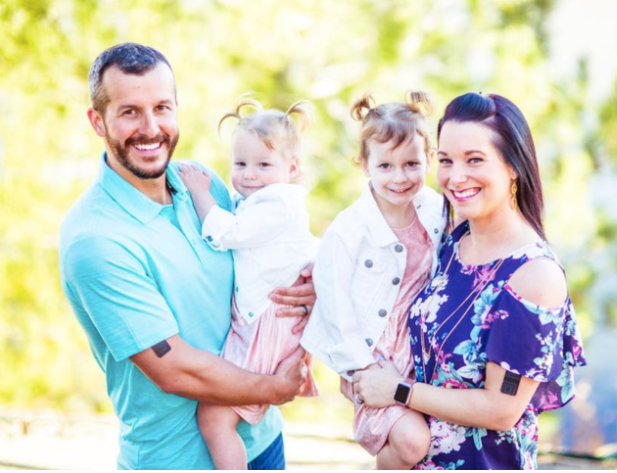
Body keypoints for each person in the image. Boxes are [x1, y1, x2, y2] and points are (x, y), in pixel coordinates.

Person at [59, 43, 315, 470]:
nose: (150, 127)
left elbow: (268, 250)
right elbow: (175, 369)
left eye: (162, 107)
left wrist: (306, 285)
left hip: (263, 440)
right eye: (129, 112)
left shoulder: (204, 184)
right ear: (97, 121)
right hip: (177, 459)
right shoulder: (95, 239)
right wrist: (273, 387)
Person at [352, 92, 587, 469]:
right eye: (445, 160)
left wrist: (397, 390)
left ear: (513, 166)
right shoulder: (455, 238)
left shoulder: (533, 277)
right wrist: (314, 279)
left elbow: (501, 409)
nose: (455, 177)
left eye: (474, 160)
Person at [301, 92, 446, 469]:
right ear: (364, 164)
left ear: (429, 159)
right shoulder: (349, 231)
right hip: (373, 358)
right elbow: (334, 306)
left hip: (421, 357)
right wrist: (361, 370)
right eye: (386, 166)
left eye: (412, 163)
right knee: (413, 442)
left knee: (435, 446)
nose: (400, 178)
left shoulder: (437, 209)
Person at [178, 95, 319, 469]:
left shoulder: (277, 204)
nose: (249, 174)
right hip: (261, 318)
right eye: (240, 164)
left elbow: (230, 233)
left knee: (213, 416)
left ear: (292, 167)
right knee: (218, 416)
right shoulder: (261, 200)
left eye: (263, 164)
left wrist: (199, 193)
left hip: (267, 322)